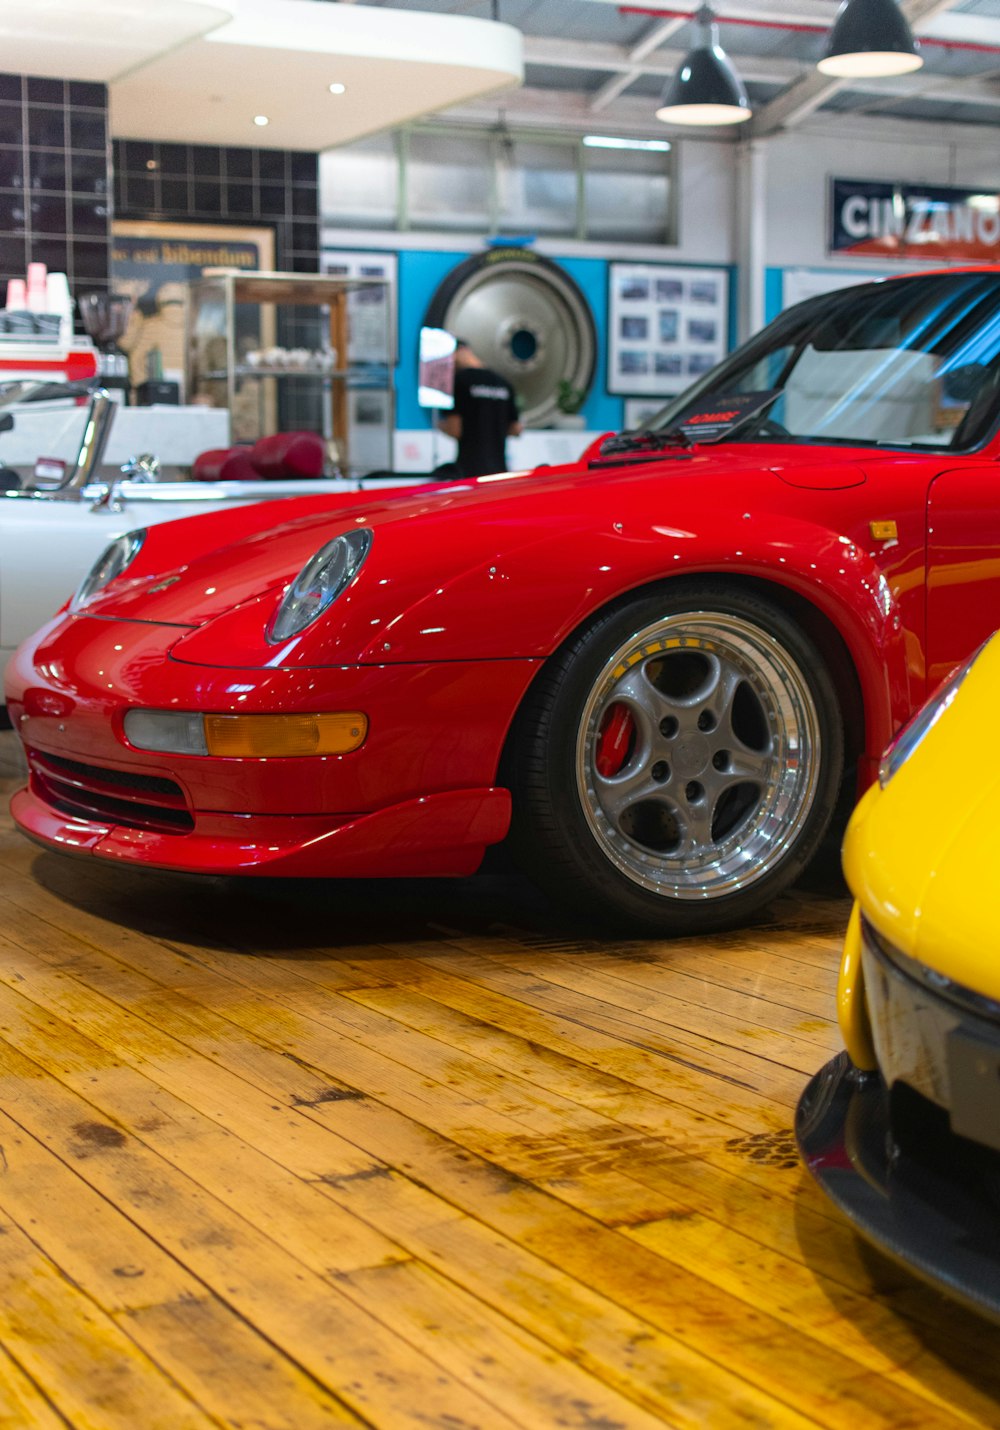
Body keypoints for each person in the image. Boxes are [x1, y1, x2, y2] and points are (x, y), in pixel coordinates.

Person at [438, 339, 521, 477]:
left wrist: (440, 426)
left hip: (469, 470)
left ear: (457, 352)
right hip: (499, 469)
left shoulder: (459, 381)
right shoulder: (504, 383)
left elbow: (455, 429)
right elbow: (516, 429)